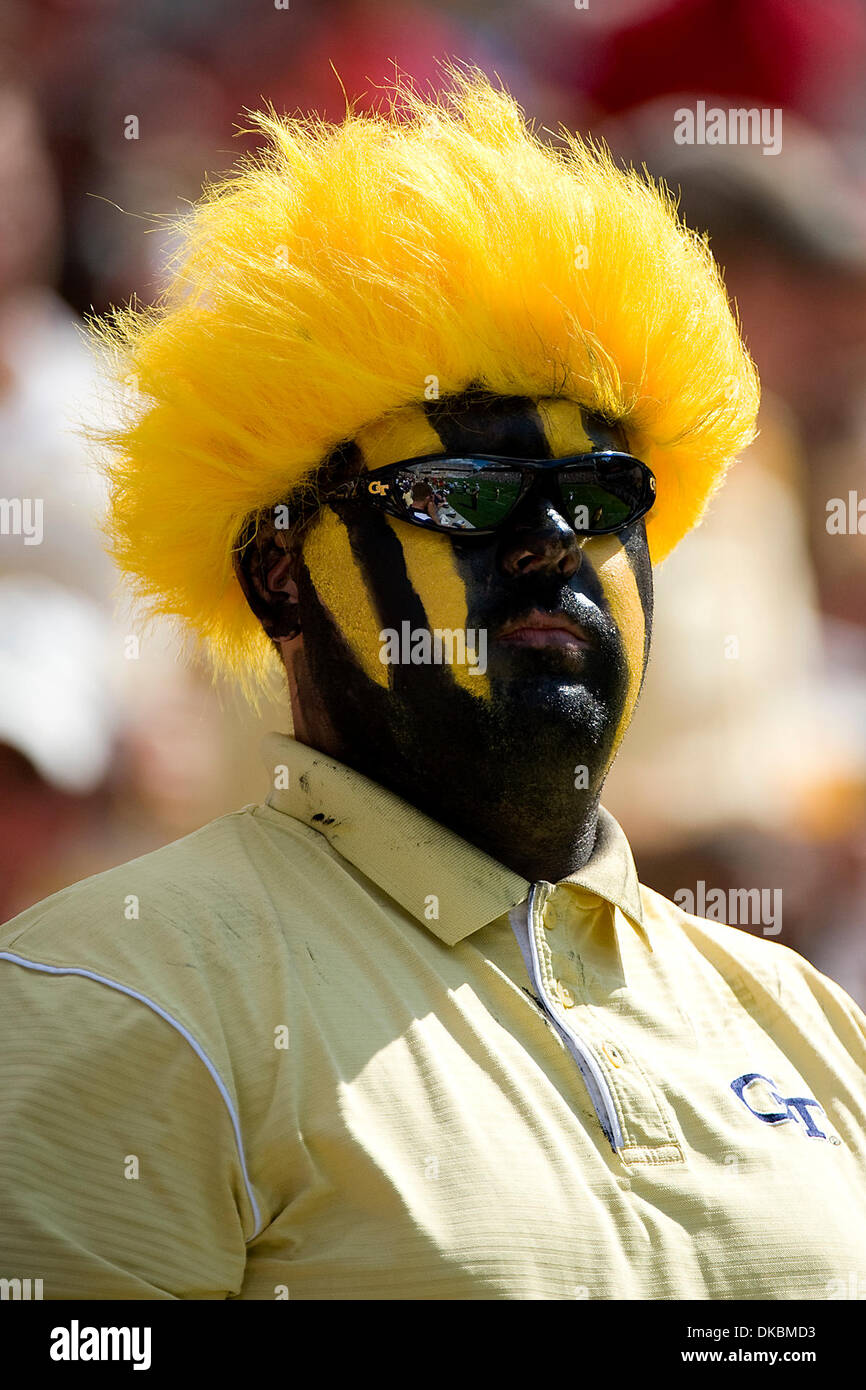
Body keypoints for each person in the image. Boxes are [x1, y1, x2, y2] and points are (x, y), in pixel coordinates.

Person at [1, 70, 864, 1301]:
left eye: (600, 498)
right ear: (276, 579)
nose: (545, 546)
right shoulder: (116, 999)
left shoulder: (807, 1027)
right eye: (456, 495)